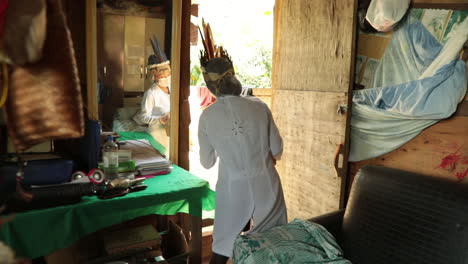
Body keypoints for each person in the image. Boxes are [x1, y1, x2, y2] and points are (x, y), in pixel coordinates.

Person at [198, 53, 288, 263]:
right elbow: (277, 150)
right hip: (267, 184)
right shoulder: (259, 106)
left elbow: (207, 162)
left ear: (210, 86)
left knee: (223, 245)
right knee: (273, 241)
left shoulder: (207, 116)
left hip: (233, 189)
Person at [136, 37, 171, 153]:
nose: (166, 77)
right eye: (162, 74)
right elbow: (143, 117)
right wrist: (160, 120)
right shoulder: (151, 94)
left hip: (171, 135)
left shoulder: (173, 90)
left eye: (167, 74)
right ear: (154, 76)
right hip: (156, 136)